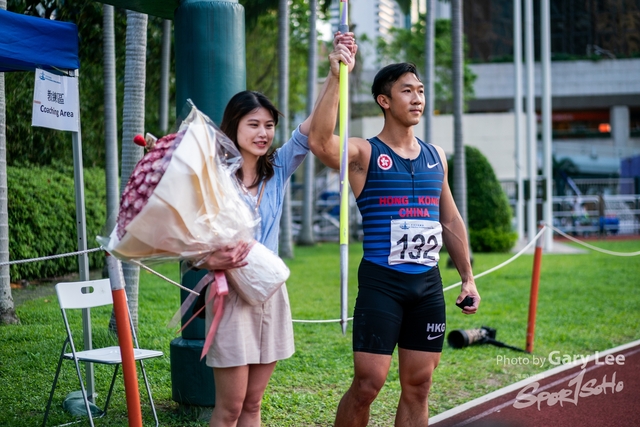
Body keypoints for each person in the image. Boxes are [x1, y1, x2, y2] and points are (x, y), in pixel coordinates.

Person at [308, 50, 481, 426]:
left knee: (419, 385)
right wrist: (337, 77)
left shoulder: (436, 156)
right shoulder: (364, 152)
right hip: (382, 282)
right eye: (407, 91)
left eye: (420, 90)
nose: (417, 97)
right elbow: (320, 142)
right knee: (368, 384)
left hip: (427, 284)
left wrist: (467, 277)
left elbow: (449, 219)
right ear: (384, 101)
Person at [197, 33, 356, 427]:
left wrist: (336, 73)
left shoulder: (278, 168)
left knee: (253, 407)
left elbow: (315, 129)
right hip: (230, 296)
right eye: (253, 124)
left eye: (269, 125)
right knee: (230, 408)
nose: (263, 133)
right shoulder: (211, 178)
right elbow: (185, 242)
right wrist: (209, 259)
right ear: (233, 127)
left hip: (271, 291)